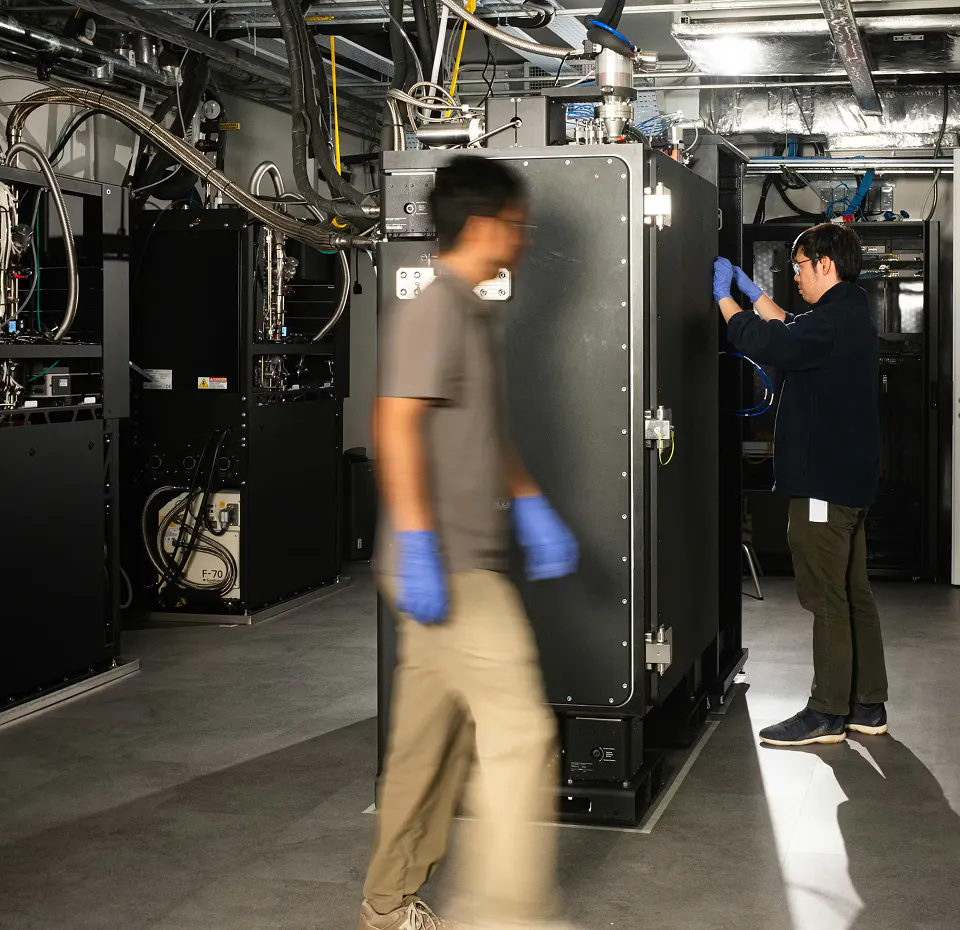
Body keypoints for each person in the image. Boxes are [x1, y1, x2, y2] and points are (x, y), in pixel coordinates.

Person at [360, 155, 579, 930]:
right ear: (485, 226)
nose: (521, 242)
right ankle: (507, 917)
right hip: (449, 568)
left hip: (455, 561)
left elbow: (480, 434)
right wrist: (420, 542)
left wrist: (527, 502)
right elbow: (393, 425)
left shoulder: (469, 310)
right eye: (516, 227)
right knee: (522, 737)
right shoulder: (436, 310)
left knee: (429, 753)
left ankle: (387, 908)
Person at [713, 222, 889, 747]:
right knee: (854, 593)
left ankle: (827, 712)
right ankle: (867, 704)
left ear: (825, 266)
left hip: (822, 486)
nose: (796, 275)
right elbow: (793, 328)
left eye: (800, 266)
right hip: (851, 482)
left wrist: (727, 302)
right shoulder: (849, 313)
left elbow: (772, 341)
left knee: (826, 598)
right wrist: (756, 294)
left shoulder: (831, 323)